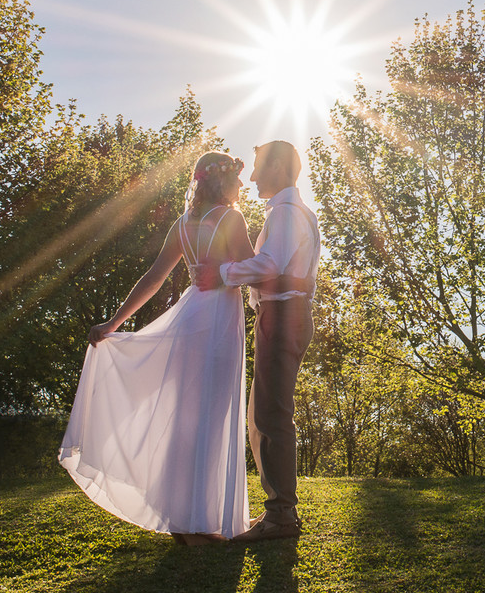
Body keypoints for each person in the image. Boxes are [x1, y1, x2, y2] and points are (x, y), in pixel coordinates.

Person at [58, 151, 305, 546]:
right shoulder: (231, 219)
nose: (241, 185)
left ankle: (182, 520)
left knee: (186, 421)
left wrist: (114, 323)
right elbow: (254, 270)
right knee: (211, 419)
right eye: (236, 179)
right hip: (218, 324)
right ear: (222, 181)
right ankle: (198, 523)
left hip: (189, 318)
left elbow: (154, 277)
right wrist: (295, 285)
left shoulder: (183, 223)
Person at [195, 140, 319, 543]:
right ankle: (279, 511)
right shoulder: (291, 211)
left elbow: (271, 263)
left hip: (283, 315)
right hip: (282, 314)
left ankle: (281, 515)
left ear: (278, 166)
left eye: (258, 168)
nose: (250, 178)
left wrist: (222, 273)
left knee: (271, 414)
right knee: (262, 413)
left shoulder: (286, 212)